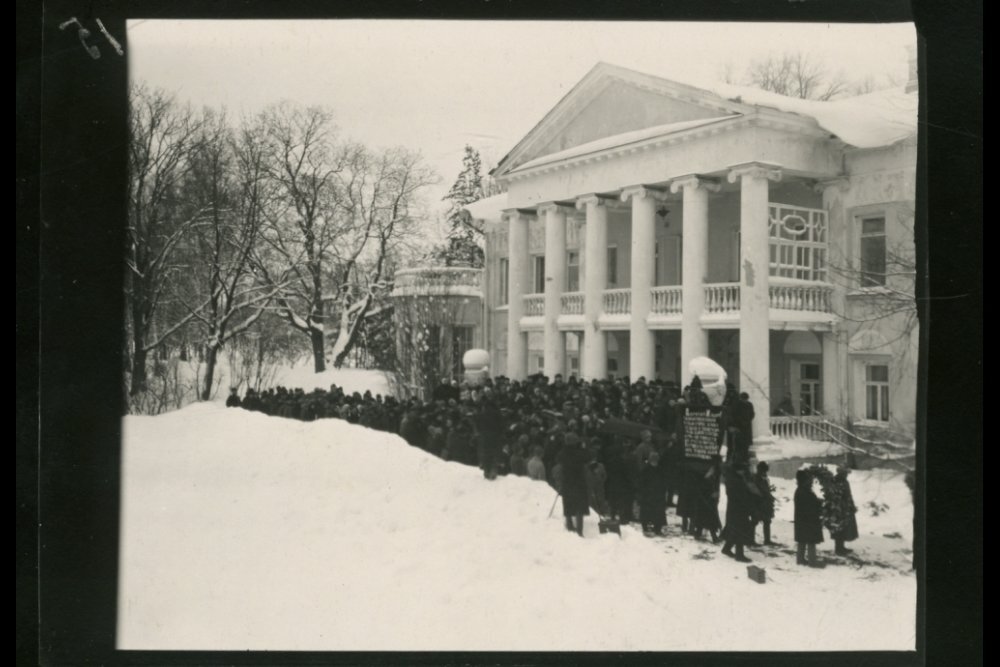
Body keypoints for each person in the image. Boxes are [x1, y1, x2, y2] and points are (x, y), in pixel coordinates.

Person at [721, 462, 758, 562]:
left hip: (734, 509)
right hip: (739, 509)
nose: (744, 472)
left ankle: (726, 549)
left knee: (734, 530)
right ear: (739, 470)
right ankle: (739, 555)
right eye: (743, 470)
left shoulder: (732, 478)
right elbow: (743, 496)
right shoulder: (737, 481)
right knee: (739, 531)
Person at [558, 432, 591, 536]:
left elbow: (558, 459)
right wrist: (583, 447)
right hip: (579, 482)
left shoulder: (562, 453)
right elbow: (588, 457)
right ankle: (579, 530)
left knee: (568, 503)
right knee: (579, 507)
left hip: (567, 482)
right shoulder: (579, 452)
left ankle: (569, 525)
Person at [827, 465, 860, 556]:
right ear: (842, 473)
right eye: (845, 473)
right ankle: (839, 549)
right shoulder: (841, 482)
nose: (846, 475)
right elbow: (847, 496)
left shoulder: (834, 480)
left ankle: (840, 547)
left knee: (840, 528)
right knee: (841, 528)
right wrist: (850, 506)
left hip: (838, 508)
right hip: (841, 508)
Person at [794, 469, 824, 566]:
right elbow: (810, 505)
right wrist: (819, 503)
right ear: (804, 481)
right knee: (811, 540)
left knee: (802, 539)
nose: (811, 482)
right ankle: (812, 561)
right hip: (809, 520)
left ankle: (800, 559)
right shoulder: (804, 492)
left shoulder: (800, 490)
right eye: (809, 480)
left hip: (801, 520)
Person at [637, 450, 668, 536]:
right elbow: (641, 483)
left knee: (654, 512)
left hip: (654, 495)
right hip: (651, 495)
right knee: (651, 512)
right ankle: (651, 527)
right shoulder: (650, 470)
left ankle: (654, 527)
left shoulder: (654, 470)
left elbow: (663, 482)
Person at [752, 461, 777, 546]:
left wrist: (770, 493)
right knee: (754, 521)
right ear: (760, 469)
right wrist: (767, 494)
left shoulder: (763, 478)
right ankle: (751, 540)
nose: (765, 472)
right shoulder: (756, 478)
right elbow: (758, 491)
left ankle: (767, 540)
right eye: (764, 470)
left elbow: (765, 489)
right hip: (757, 503)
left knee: (767, 521)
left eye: (766, 471)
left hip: (765, 503)